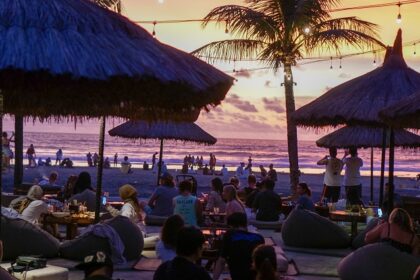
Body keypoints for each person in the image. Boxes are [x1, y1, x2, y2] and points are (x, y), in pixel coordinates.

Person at [213, 212, 265, 280]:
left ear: (231, 226)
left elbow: (221, 261)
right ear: (245, 224)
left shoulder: (230, 235)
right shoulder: (259, 238)